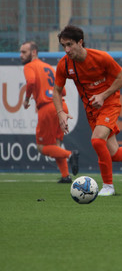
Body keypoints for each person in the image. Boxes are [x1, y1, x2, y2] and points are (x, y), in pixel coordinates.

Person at [53, 25, 122, 196]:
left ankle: (108, 187)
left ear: (80, 42)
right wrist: (60, 112)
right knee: (114, 154)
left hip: (109, 103)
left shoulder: (100, 58)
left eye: (69, 45)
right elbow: (57, 91)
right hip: (92, 110)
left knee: (97, 141)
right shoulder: (65, 64)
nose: (66, 50)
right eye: (63, 46)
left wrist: (103, 95)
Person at [20, 41, 79, 183]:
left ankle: (70, 155)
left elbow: (32, 81)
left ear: (34, 52)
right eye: (21, 52)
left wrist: (27, 99)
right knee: (55, 144)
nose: (21, 55)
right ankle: (65, 176)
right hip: (61, 107)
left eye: (24, 52)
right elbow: (62, 90)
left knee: (42, 147)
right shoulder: (48, 67)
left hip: (48, 108)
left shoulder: (29, 66)